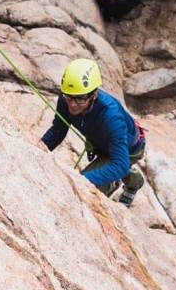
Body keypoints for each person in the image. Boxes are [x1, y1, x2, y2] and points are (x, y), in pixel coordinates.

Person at [41, 58, 146, 206]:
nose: (72, 104)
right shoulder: (67, 97)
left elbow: (120, 164)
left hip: (130, 149)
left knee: (89, 189)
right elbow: (58, 130)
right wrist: (38, 149)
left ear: (94, 95)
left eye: (80, 99)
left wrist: (82, 179)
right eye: (69, 97)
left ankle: (130, 183)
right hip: (102, 143)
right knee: (112, 165)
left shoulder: (111, 116)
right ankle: (131, 178)